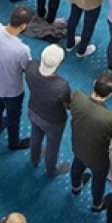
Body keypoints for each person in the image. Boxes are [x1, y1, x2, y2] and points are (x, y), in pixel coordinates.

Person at [69, 72, 112, 212]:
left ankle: (76, 186)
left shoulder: (78, 96)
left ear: (94, 83)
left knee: (77, 165)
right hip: (98, 158)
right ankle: (97, 204)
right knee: (98, 181)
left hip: (77, 146)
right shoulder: (111, 118)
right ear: (109, 95)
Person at [0, 6, 33, 150]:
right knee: (13, 116)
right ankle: (14, 143)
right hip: (11, 89)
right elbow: (27, 68)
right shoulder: (22, 50)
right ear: (23, 26)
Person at [24, 44, 71, 178]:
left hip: (34, 110)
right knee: (52, 146)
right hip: (53, 121)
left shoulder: (30, 66)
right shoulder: (61, 85)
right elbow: (68, 105)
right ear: (59, 63)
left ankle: (34, 159)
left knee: (35, 135)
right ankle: (52, 170)